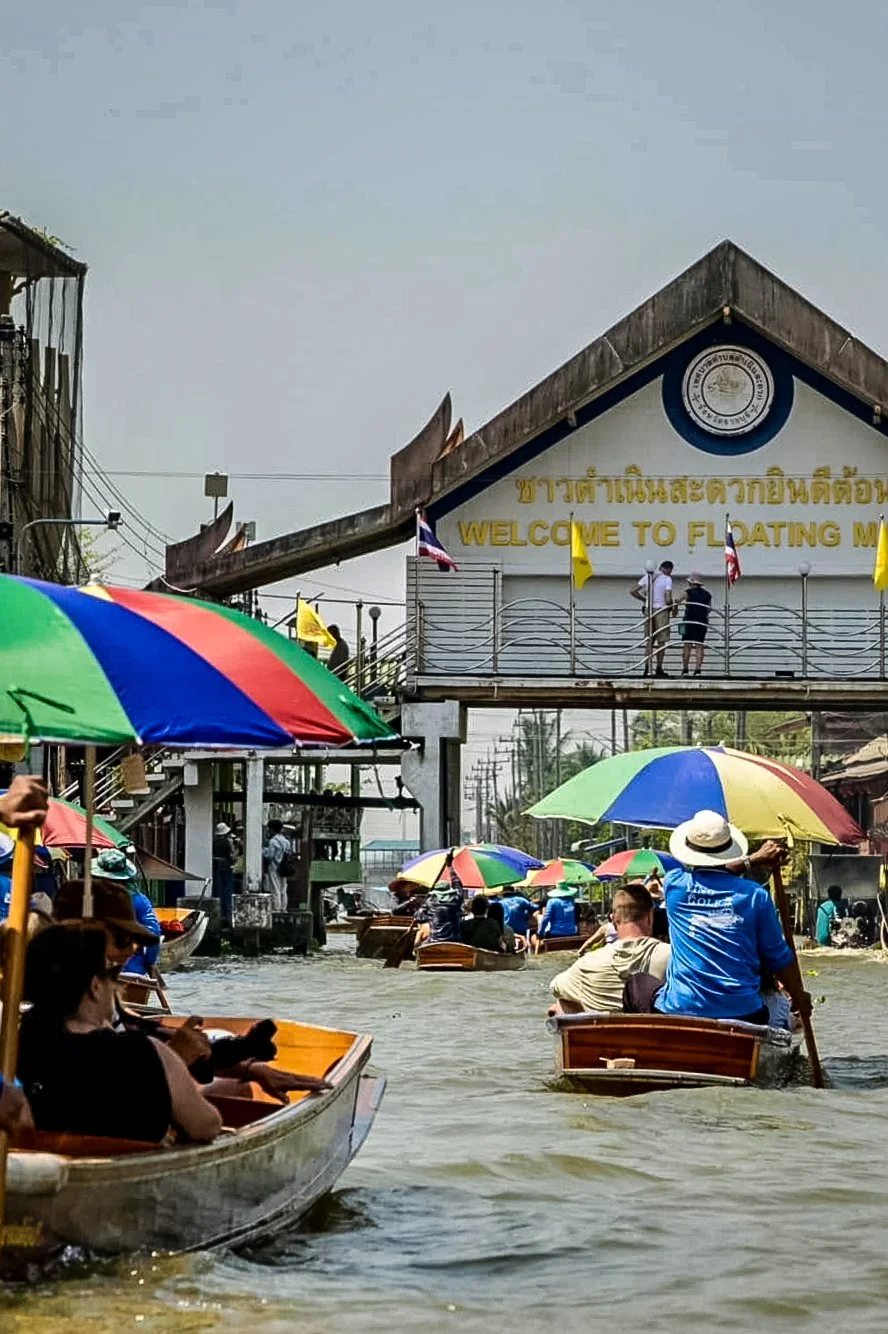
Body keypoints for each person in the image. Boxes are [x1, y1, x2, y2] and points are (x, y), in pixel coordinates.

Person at [18, 921, 223, 1144]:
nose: (119, 985)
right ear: (95, 987)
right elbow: (206, 1125)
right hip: (131, 1171)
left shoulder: (16, 1045)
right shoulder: (144, 1051)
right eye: (114, 974)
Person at [637, 810, 811, 1024]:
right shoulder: (755, 896)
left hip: (680, 1009)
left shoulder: (675, 886)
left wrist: (754, 860)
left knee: (636, 985)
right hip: (744, 1013)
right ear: (729, 849)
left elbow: (719, 872)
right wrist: (799, 996)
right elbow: (778, 958)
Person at [550, 883, 671, 1014]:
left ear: (613, 920)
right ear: (650, 916)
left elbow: (555, 986)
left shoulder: (587, 963)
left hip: (603, 1032)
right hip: (654, 1031)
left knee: (560, 1006)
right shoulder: (673, 957)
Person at [90, 848, 160, 977]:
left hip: (92, 970)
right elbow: (153, 934)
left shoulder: (85, 899)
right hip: (132, 970)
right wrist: (149, 961)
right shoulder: (140, 900)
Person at [630, 560, 674, 677]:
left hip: (649, 610)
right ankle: (659, 668)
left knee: (649, 640)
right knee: (661, 641)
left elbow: (633, 591)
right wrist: (671, 606)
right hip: (661, 610)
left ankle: (647, 668)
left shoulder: (648, 577)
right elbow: (668, 597)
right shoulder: (667, 579)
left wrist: (645, 600)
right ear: (668, 569)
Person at [675, 572, 712, 677]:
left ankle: (685, 669)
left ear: (691, 583)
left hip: (688, 621)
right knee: (699, 646)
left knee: (687, 645)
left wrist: (675, 609)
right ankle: (698, 670)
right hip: (702, 622)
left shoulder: (687, 592)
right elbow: (709, 609)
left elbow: (677, 600)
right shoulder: (708, 594)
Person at [533, 885, 578, 951]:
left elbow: (546, 919)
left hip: (555, 934)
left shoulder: (552, 901)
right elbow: (577, 918)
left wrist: (540, 933)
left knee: (533, 937)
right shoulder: (572, 901)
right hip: (572, 932)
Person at [263, 819, 292, 913]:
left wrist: (263, 851)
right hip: (284, 867)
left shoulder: (273, 842)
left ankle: (276, 909)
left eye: (269, 829)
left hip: (274, 867)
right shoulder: (286, 841)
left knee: (275, 888)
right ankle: (284, 908)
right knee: (283, 888)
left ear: (272, 829)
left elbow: (270, 856)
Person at [212, 821, 235, 925]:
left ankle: (220, 912)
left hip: (216, 866)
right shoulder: (228, 842)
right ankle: (227, 912)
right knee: (228, 889)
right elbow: (233, 856)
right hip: (226, 865)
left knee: (218, 889)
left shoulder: (214, 842)